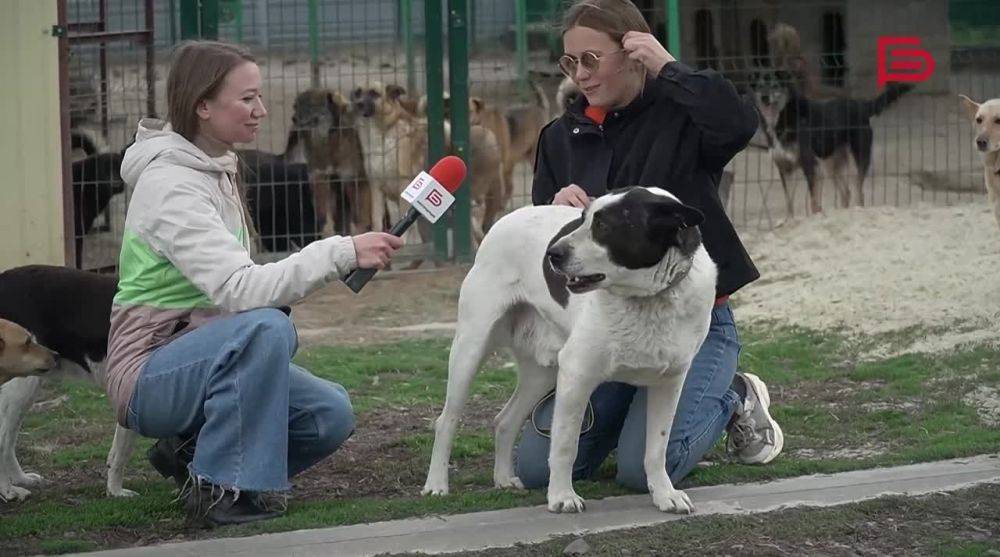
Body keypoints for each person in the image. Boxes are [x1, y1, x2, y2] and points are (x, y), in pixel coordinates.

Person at [105, 40, 403, 527]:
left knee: (329, 413)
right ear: (203, 105)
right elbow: (239, 290)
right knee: (265, 328)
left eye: (259, 97)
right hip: (147, 373)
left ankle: (191, 456)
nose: (262, 110)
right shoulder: (171, 186)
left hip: (201, 355)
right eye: (247, 99)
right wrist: (340, 250)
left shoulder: (216, 166)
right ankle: (222, 490)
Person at [516, 0, 783, 492]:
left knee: (643, 474)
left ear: (632, 52)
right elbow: (548, 246)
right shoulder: (559, 137)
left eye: (592, 59)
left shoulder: (681, 113)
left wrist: (669, 67)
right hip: (608, 321)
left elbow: (738, 124)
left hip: (690, 321)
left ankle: (733, 396)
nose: (580, 75)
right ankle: (630, 417)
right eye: (570, 62)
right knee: (535, 469)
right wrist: (556, 211)